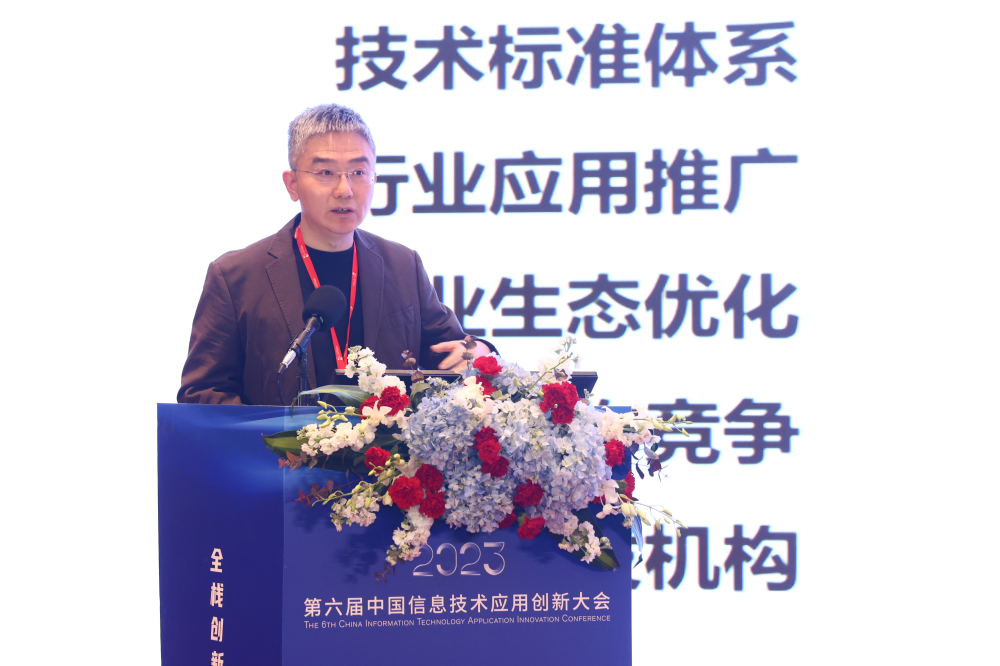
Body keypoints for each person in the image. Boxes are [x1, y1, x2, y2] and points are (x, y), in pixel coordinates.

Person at [178, 104, 492, 405]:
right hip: (277, 446)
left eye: (358, 172)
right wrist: (268, 436)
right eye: (326, 172)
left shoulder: (402, 265)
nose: (345, 189)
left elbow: (453, 350)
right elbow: (203, 392)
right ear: (292, 184)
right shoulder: (236, 276)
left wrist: (479, 351)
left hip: (382, 444)